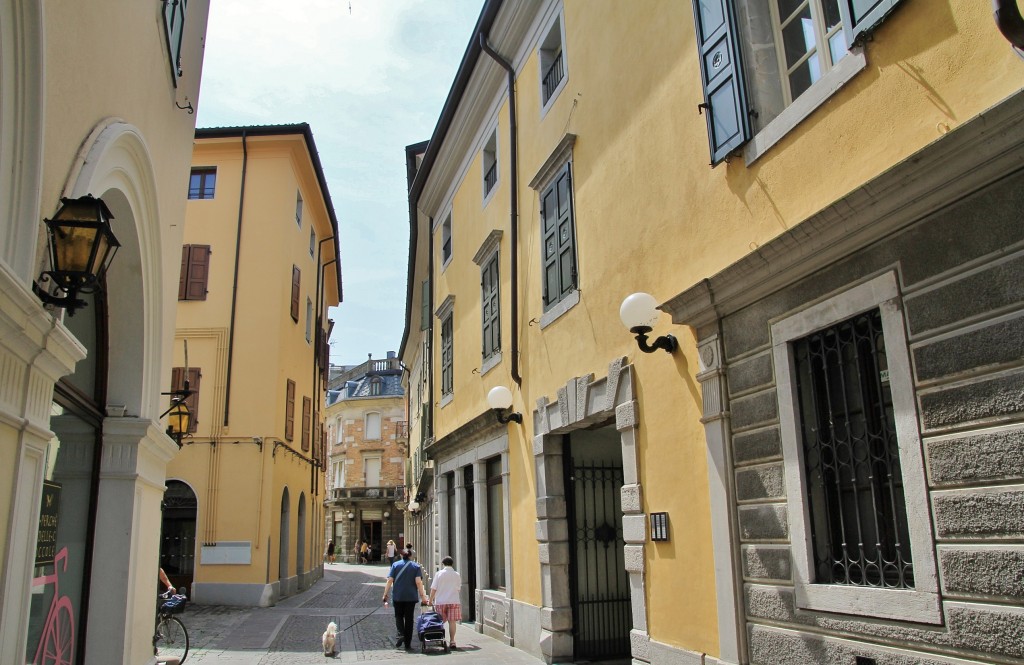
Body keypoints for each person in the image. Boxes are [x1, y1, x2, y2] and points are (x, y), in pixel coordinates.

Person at [381, 548, 429, 650]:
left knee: (398, 616)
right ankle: (408, 644)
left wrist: (385, 594)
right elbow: (418, 582)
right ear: (410, 556)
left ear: (401, 556)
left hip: (398, 596)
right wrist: (423, 597)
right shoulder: (416, 566)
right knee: (409, 619)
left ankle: (401, 633)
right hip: (411, 597)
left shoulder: (395, 565)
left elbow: (390, 580)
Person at [428, 556, 463, 649]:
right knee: (452, 622)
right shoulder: (457, 574)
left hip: (441, 601)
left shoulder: (439, 574)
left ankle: (441, 639)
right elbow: (458, 588)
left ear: (443, 564)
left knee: (440, 622)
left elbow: (433, 589)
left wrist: (430, 600)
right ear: (452, 564)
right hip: (453, 600)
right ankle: (452, 641)